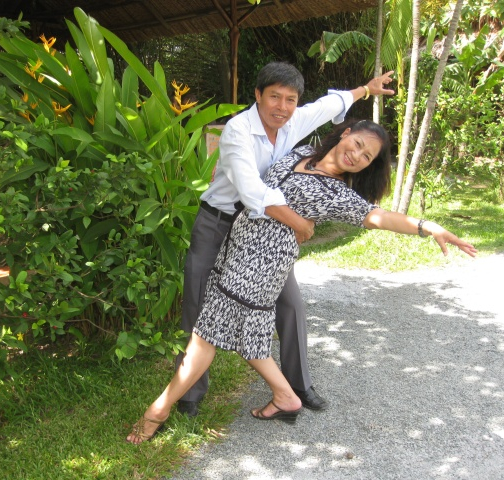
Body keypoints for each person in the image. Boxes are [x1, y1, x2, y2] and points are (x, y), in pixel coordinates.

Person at [126, 119, 477, 444]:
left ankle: (158, 410)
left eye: (366, 157)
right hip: (236, 250)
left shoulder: (337, 194)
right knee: (246, 337)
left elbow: (378, 216)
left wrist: (426, 227)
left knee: (205, 338)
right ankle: (285, 397)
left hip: (260, 266)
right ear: (345, 133)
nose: (356, 156)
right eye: (357, 144)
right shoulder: (304, 151)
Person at [176, 62, 396, 417]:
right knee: (197, 302)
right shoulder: (238, 130)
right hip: (220, 222)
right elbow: (252, 191)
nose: (282, 107)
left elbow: (327, 105)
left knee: (291, 304)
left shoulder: (292, 121)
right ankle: (189, 395)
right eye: (274, 97)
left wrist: (365, 90)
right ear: (258, 95)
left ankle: (297, 385)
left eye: (290, 99)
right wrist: (301, 225)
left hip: (266, 233)